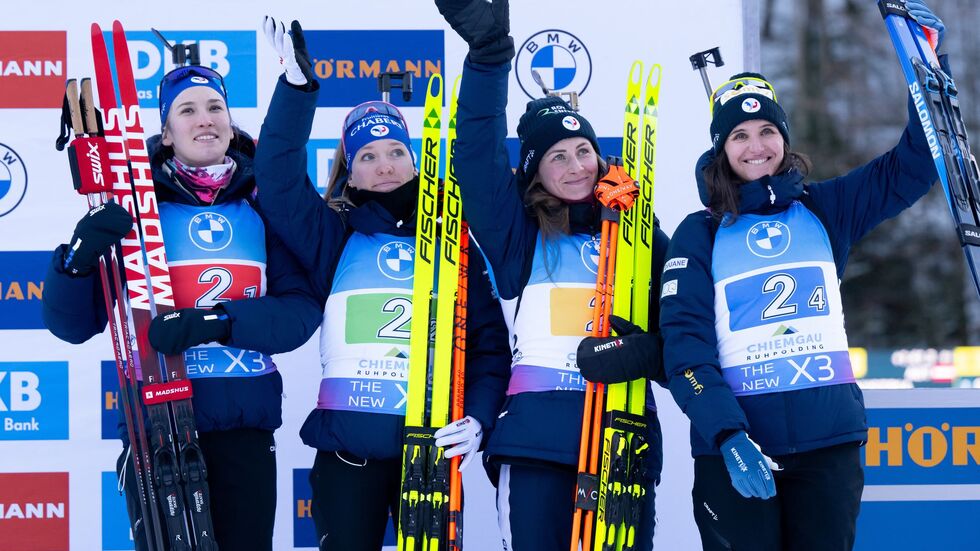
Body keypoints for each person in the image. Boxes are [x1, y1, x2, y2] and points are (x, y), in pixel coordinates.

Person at [658, 2, 945, 549]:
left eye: (767, 130)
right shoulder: (700, 232)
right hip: (738, 447)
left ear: (784, 138)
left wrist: (925, 65)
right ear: (721, 149)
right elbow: (685, 347)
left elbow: (913, 164)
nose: (756, 146)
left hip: (826, 444)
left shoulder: (825, 208)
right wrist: (726, 434)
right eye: (739, 135)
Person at [42, 62, 321, 550]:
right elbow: (72, 325)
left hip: (244, 427)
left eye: (215, 107)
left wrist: (216, 322)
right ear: (167, 134)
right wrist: (77, 259)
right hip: (156, 425)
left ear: (230, 123)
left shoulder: (263, 205)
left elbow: (298, 313)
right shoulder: (135, 209)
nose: (205, 119)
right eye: (187, 110)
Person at [256, 18, 511, 551]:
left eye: (396, 151)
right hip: (349, 451)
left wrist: (480, 418)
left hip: (432, 447)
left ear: (414, 160)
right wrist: (296, 91)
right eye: (367, 156)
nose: (385, 165)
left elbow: (489, 346)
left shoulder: (454, 240)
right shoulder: (333, 236)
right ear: (349, 173)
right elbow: (278, 183)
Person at [435, 1, 669, 549]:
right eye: (557, 157)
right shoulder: (519, 235)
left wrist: (648, 351)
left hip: (622, 437)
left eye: (583, 150)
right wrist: (489, 58)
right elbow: (476, 159)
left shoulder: (638, 232)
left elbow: (683, 327)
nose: (576, 166)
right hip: (535, 439)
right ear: (535, 171)